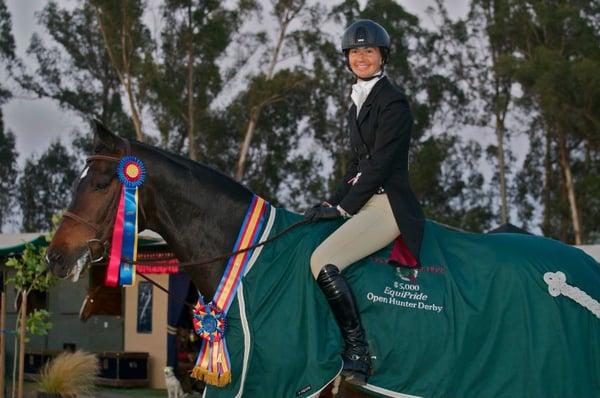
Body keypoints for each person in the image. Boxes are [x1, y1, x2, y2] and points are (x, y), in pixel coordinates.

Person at [304, 19, 425, 386]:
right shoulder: (357, 100)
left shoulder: (393, 103)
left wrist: (344, 209)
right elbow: (356, 167)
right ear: (347, 57)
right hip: (366, 198)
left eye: (368, 51)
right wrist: (330, 201)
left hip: (388, 205)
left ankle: (358, 352)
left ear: (382, 57)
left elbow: (380, 166)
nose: (361, 58)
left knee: (322, 261)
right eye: (355, 51)